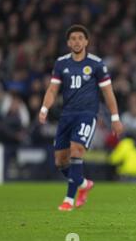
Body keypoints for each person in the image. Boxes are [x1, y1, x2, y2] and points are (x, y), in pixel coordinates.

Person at [39, 25, 124, 211]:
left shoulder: (96, 64)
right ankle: (84, 184)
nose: (77, 41)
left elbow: (108, 92)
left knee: (76, 150)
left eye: (80, 38)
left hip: (87, 114)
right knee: (60, 161)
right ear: (69, 43)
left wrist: (115, 118)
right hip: (66, 115)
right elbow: (53, 89)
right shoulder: (61, 63)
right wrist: (45, 107)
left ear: (86, 41)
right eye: (73, 38)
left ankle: (68, 200)